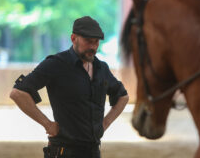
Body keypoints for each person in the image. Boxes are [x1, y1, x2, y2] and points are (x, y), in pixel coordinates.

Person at [10, 16, 129, 158]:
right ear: (73, 39)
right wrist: (47, 124)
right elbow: (18, 93)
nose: (93, 47)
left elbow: (123, 96)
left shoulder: (101, 68)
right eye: (88, 41)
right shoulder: (56, 64)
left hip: (94, 151)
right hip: (63, 152)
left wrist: (106, 123)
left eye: (96, 42)